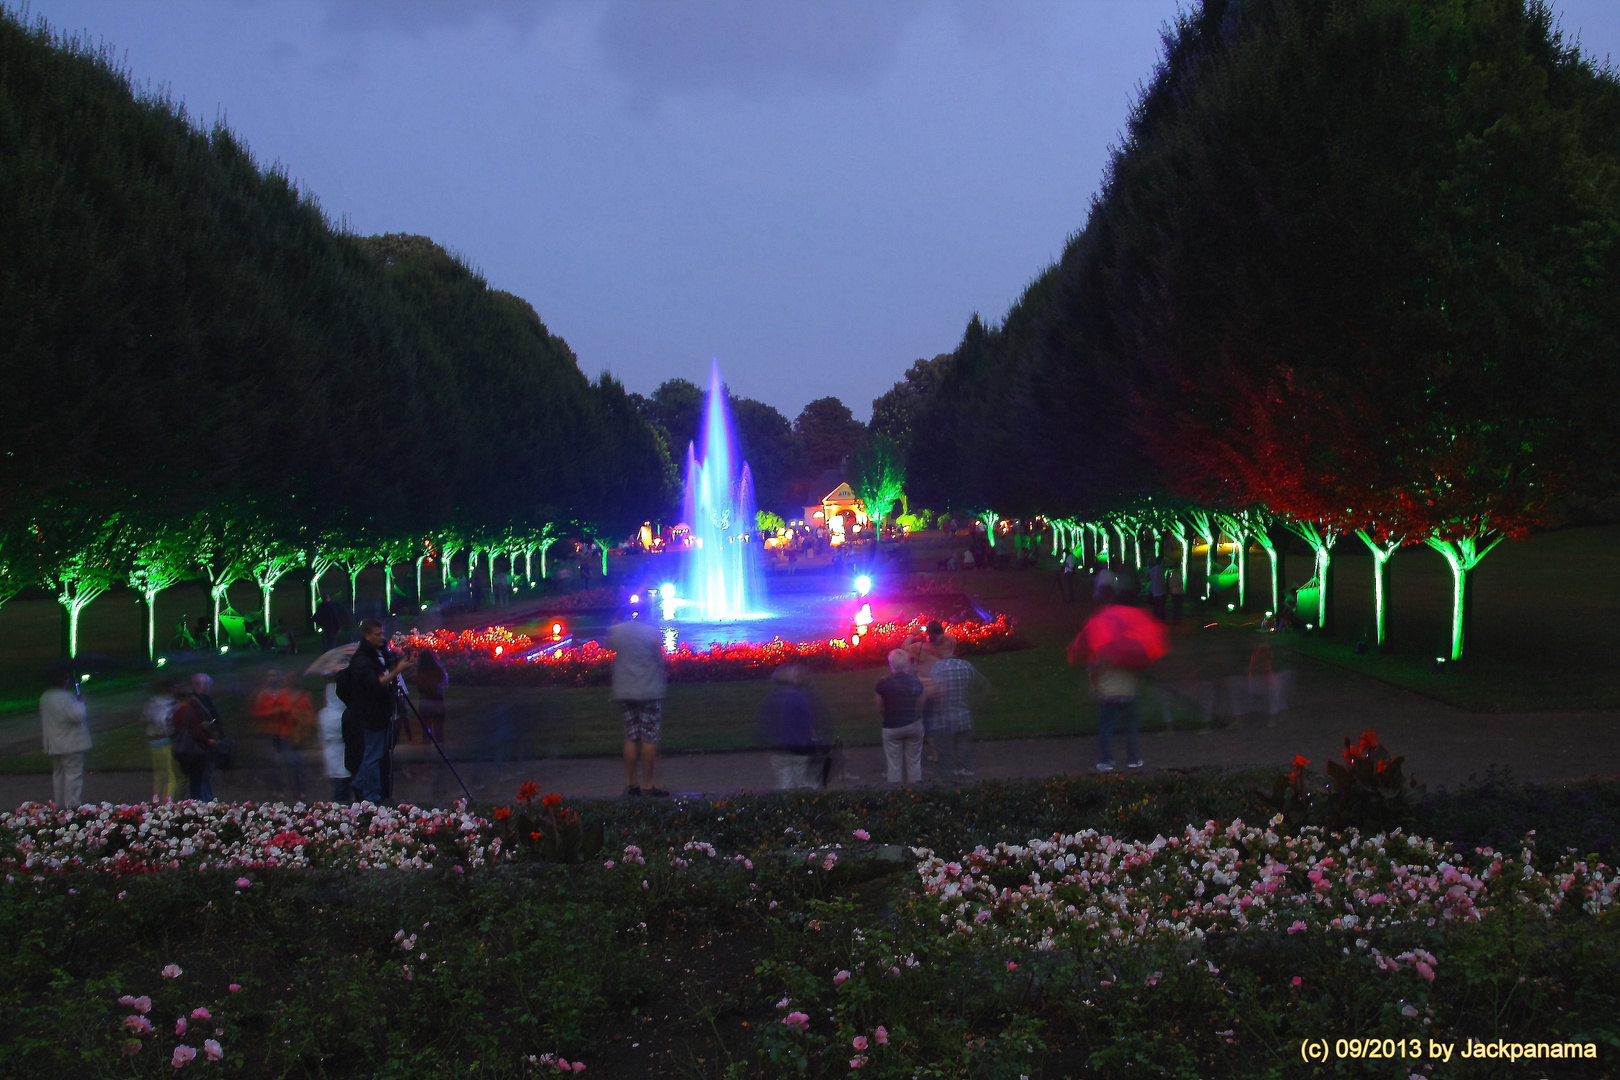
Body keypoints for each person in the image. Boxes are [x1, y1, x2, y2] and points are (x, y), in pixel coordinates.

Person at [345, 619, 415, 804]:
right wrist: (396, 671)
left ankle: (360, 782)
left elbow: (388, 662)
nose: (382, 637)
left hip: (381, 711)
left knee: (377, 751)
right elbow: (376, 683)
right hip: (370, 714)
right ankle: (372, 796)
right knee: (373, 756)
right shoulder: (361, 660)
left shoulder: (377, 651)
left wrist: (397, 661)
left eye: (382, 633)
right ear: (367, 636)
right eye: (378, 634)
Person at [610, 610, 668, 797]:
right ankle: (648, 784)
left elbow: (608, 646)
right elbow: (660, 659)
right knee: (649, 737)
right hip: (649, 689)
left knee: (630, 737)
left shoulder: (618, 630)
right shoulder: (651, 632)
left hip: (625, 689)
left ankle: (631, 784)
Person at [756, 663, 829, 789]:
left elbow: (764, 723)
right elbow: (809, 721)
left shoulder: (770, 697)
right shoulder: (797, 696)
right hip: (799, 746)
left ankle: (784, 806)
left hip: (778, 748)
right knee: (805, 783)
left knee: (784, 783)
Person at [924, 638, 989, 779]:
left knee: (945, 751)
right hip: (963, 716)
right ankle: (967, 772)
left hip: (943, 719)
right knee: (963, 746)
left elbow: (936, 689)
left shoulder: (938, 668)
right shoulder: (966, 666)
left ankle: (949, 780)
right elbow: (981, 683)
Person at [41, 669, 91, 807]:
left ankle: (60, 804)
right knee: (73, 775)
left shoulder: (45, 696)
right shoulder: (66, 697)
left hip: (54, 743)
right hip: (70, 743)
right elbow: (77, 716)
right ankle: (72, 805)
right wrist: (81, 702)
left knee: (58, 774)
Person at [874, 649, 925, 784]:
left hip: (891, 727)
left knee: (894, 765)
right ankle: (916, 794)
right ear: (907, 664)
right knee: (914, 762)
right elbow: (921, 704)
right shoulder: (915, 682)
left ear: (891, 664)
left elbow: (879, 707)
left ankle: (895, 796)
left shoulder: (883, 684)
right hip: (913, 724)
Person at [1089, 651, 1143, 773]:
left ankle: (1106, 760)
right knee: (1131, 726)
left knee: (1106, 727)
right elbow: (1137, 670)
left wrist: (1095, 686)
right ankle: (1133, 759)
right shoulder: (1130, 649)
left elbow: (1092, 672)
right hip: (1127, 693)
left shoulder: (1099, 651)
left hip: (1107, 694)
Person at [171, 677, 222, 800]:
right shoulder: (191, 712)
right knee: (197, 780)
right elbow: (196, 731)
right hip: (194, 750)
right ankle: (198, 803)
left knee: (185, 778)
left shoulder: (175, 712)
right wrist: (208, 740)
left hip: (180, 749)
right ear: (188, 697)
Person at [141, 677, 179, 803]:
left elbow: (144, 718)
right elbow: (161, 720)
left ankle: (156, 799)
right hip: (163, 741)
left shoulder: (152, 702)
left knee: (158, 775)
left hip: (153, 741)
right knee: (170, 775)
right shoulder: (166, 703)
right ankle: (168, 801)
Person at [317, 681, 351, 801]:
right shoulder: (343, 714)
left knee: (339, 783)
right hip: (340, 750)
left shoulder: (324, 713)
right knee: (341, 784)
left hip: (331, 750)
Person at [411, 648, 448, 745]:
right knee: (439, 733)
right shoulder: (439, 672)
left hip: (425, 704)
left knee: (426, 733)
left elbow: (419, 688)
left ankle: (427, 756)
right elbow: (443, 684)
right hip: (438, 704)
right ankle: (442, 755)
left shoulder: (420, 674)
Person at [1149, 555, 1168, 621]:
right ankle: (1160, 619)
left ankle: (1155, 618)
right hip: (1161, 590)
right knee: (1161, 606)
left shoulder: (1152, 570)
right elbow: (1163, 581)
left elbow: (1150, 579)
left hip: (1154, 590)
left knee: (1156, 605)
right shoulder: (1161, 570)